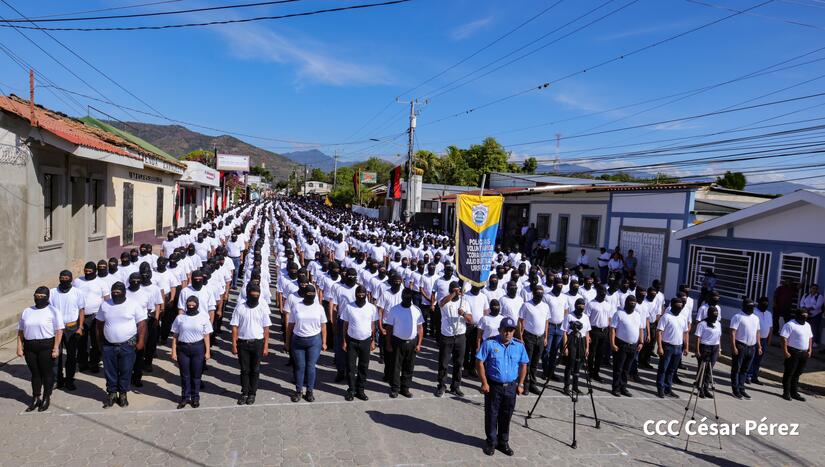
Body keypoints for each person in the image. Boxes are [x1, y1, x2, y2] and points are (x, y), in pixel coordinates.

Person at [476, 317, 528, 457]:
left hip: (511, 387)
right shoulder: (490, 343)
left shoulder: (519, 346)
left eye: (511, 330)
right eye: (505, 330)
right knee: (492, 415)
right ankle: (491, 442)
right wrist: (484, 382)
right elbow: (479, 362)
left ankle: (503, 442)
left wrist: (521, 383)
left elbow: (524, 364)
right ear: (500, 330)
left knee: (506, 415)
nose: (508, 333)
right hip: (494, 386)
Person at [97, 281, 147, 409]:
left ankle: (123, 394)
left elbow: (142, 324)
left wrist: (141, 341)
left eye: (118, 292)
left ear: (124, 292)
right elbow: (99, 323)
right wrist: (100, 340)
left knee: (126, 369)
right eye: (113, 292)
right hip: (108, 344)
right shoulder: (105, 305)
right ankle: (112, 394)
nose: (115, 294)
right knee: (110, 370)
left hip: (128, 343)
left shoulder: (133, 304)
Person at [17, 287, 64, 412]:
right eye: (37, 296)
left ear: (47, 297)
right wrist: (19, 347)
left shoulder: (53, 311)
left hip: (46, 345)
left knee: (47, 373)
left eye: (42, 296)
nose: (39, 298)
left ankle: (46, 397)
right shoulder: (27, 311)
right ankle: (36, 397)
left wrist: (56, 348)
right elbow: (21, 331)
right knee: (35, 374)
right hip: (30, 346)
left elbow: (59, 331)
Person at [231, 283, 272, 405]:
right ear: (248, 294)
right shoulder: (240, 308)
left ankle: (252, 393)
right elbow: (234, 326)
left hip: (257, 343)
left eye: (257, 295)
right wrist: (234, 344)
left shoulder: (262, 308)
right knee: (244, 370)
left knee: (255, 369)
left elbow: (266, 329)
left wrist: (266, 346)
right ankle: (244, 393)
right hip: (243, 343)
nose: (255, 297)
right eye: (252, 295)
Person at [286, 284, 327, 403]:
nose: (311, 296)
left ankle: (309, 391)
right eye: (308, 294)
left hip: (314, 341)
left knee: (310, 366)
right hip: (298, 341)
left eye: (313, 294)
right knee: (300, 366)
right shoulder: (296, 306)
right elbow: (290, 326)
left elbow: (323, 326)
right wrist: (287, 342)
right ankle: (299, 391)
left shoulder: (319, 308)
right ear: (304, 294)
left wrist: (324, 342)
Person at [171, 296, 212, 409]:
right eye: (189, 305)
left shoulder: (203, 317)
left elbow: (206, 336)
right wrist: (173, 351)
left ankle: (195, 398)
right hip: (183, 348)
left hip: (198, 348)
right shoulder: (180, 318)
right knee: (185, 375)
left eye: (193, 305)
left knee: (196, 375)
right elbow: (175, 336)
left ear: (197, 305)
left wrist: (208, 351)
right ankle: (185, 398)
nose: (191, 307)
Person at [49, 270, 86, 392]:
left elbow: (81, 310)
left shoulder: (77, 292)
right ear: (59, 278)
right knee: (56, 355)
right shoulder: (52, 292)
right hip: (56, 328)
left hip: (72, 328)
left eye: (66, 278)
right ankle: (57, 380)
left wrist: (80, 327)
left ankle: (69, 380)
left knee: (71, 356)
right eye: (62, 277)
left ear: (71, 279)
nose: (64, 280)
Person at [341, 286, 378, 401]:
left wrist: (373, 340)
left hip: (366, 341)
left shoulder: (372, 308)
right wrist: (344, 341)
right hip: (351, 341)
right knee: (351, 367)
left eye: (363, 294)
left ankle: (360, 390)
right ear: (355, 294)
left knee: (364, 367)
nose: (361, 296)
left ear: (366, 294)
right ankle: (351, 390)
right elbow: (345, 325)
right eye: (359, 294)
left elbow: (373, 325)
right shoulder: (349, 307)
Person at [385, 287, 424, 398]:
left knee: (409, 367)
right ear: (402, 297)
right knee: (396, 367)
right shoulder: (394, 309)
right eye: (405, 297)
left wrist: (419, 344)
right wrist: (388, 343)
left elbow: (420, 328)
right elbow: (389, 328)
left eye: (409, 297)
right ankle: (395, 389)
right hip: (397, 342)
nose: (407, 299)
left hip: (412, 342)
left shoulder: (416, 310)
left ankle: (405, 388)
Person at [436, 281, 472, 397]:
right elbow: (442, 303)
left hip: (460, 336)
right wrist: (453, 294)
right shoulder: (444, 300)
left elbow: (470, 320)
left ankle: (455, 386)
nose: (456, 292)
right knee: (444, 363)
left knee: (459, 363)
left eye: (457, 290)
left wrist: (463, 314)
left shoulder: (464, 302)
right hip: (447, 336)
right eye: (453, 290)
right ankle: (441, 386)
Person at [609, 295, 644, 397]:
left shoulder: (637, 315)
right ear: (626, 303)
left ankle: (623, 387)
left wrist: (641, 342)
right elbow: (612, 329)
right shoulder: (619, 314)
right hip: (621, 344)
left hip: (633, 346)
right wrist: (612, 343)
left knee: (626, 369)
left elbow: (641, 329)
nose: (632, 305)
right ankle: (615, 388)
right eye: (631, 303)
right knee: (618, 368)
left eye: (634, 303)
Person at [518, 284, 549, 394]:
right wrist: (520, 337)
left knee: (535, 363)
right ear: (533, 293)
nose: (539, 295)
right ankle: (525, 384)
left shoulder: (545, 306)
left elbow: (546, 322)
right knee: (527, 362)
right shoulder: (526, 305)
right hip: (529, 337)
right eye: (537, 293)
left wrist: (545, 337)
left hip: (540, 337)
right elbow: (520, 321)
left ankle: (533, 384)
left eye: (541, 293)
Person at [729, 298, 762, 399]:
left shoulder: (756, 318)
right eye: (749, 307)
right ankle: (735, 390)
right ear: (744, 306)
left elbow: (757, 332)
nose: (751, 308)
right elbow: (732, 332)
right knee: (736, 369)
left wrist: (759, 346)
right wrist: (733, 346)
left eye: (752, 307)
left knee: (745, 369)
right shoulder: (737, 317)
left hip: (752, 347)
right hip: (740, 346)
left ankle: (742, 388)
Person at [656, 298, 689, 398]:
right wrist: (660, 347)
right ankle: (660, 388)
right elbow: (659, 332)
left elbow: (685, 333)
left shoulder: (683, 318)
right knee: (663, 368)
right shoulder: (666, 317)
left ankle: (668, 389)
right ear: (672, 306)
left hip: (678, 347)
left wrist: (686, 347)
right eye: (677, 306)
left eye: (681, 306)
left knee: (672, 370)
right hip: (667, 346)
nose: (679, 308)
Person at [780, 308, 813, 401]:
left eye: (806, 316)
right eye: (803, 316)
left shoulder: (807, 325)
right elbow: (783, 338)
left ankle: (794, 392)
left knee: (798, 373)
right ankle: (786, 392)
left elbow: (810, 338)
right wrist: (785, 351)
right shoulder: (790, 325)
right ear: (797, 316)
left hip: (804, 353)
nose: (805, 317)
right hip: (793, 352)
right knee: (789, 373)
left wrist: (810, 350)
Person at [561, 298, 591, 396]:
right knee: (570, 363)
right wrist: (565, 347)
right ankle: (566, 386)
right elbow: (564, 332)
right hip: (572, 340)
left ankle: (575, 386)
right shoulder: (569, 316)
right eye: (579, 305)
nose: (581, 307)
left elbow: (587, 333)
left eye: (583, 306)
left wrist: (587, 348)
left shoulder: (586, 317)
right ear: (575, 306)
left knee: (578, 365)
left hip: (582, 341)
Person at [586, 285, 613, 383]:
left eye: (604, 294)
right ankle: (590, 372)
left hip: (604, 331)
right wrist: (587, 334)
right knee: (592, 353)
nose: (603, 295)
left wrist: (609, 332)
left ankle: (596, 373)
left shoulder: (608, 305)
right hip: (594, 331)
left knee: (600, 354)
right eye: (601, 293)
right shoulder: (591, 304)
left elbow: (609, 319)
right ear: (597, 293)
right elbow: (587, 319)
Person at [693, 306, 721, 399]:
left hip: (715, 348)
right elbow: (698, 337)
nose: (715, 316)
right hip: (705, 347)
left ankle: (706, 388)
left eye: (716, 314)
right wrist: (697, 350)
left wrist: (719, 349)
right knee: (702, 369)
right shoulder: (702, 324)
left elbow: (719, 337)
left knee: (710, 369)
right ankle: (699, 388)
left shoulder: (718, 324)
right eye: (713, 314)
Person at [747, 296, 773, 385]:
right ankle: (748, 376)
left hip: (764, 340)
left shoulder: (769, 314)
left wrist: (769, 339)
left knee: (758, 359)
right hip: (754, 339)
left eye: (766, 303)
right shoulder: (754, 312)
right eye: (763, 302)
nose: (765, 304)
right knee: (751, 358)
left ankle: (754, 377)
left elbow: (770, 327)